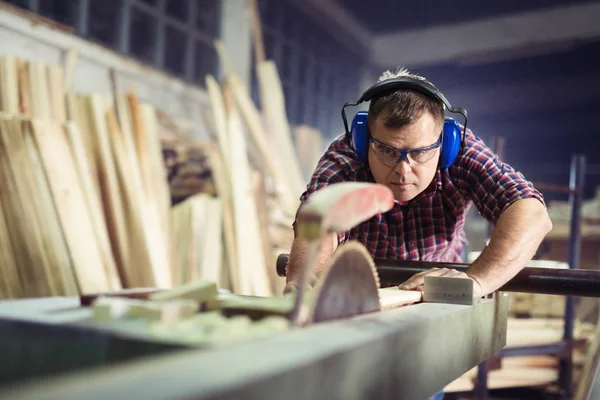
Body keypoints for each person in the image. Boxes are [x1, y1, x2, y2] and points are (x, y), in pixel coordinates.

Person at [283, 67, 553, 399]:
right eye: (388, 151)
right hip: (362, 300)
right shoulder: (346, 156)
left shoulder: (463, 152)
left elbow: (531, 214)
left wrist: (475, 281)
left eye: (421, 153)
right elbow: (320, 217)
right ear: (363, 138)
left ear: (447, 142)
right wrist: (307, 277)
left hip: (436, 302)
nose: (403, 170)